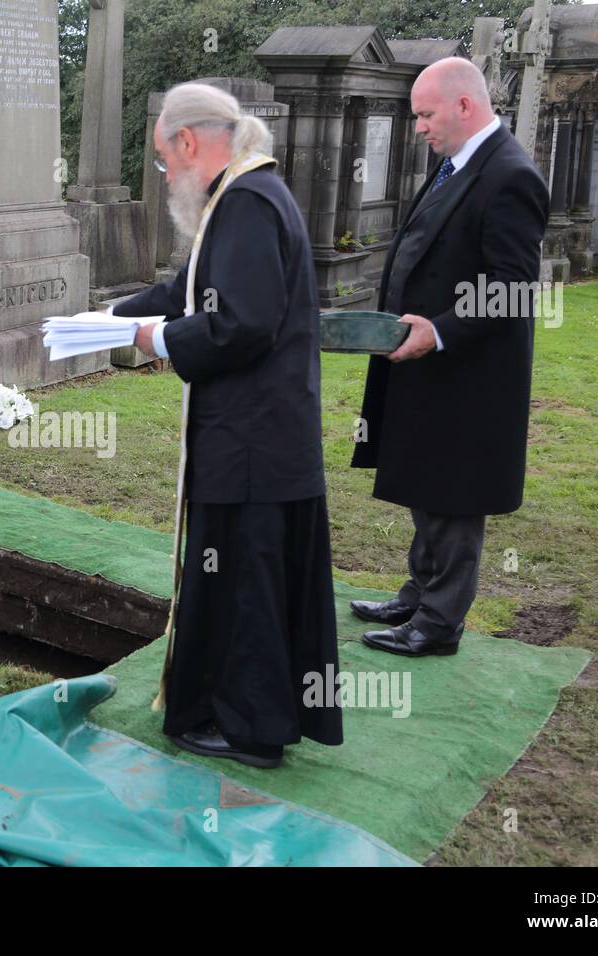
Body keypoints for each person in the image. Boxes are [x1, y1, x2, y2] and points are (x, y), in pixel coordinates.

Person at [113, 82, 342, 769]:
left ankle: (249, 726)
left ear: (188, 142)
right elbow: (188, 291)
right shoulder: (244, 197)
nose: (165, 180)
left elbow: (240, 325)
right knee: (242, 577)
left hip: (251, 442)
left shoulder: (244, 202)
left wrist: (159, 342)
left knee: (248, 587)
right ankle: (234, 711)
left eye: (162, 164)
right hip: (260, 438)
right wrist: (105, 318)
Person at [350, 57, 549, 657]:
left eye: (425, 114)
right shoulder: (456, 164)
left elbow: (512, 287)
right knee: (423, 477)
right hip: (423, 362)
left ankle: (440, 623)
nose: (419, 127)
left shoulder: (510, 175)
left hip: (467, 371)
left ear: (464, 106)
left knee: (454, 492)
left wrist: (436, 332)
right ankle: (419, 591)